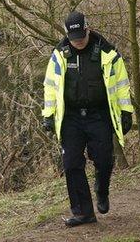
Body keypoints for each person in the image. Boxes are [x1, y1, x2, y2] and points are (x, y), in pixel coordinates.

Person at [41, 11, 134, 227]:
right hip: (71, 117)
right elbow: (50, 88)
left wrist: (126, 112)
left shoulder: (108, 53)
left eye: (82, 37)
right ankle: (83, 212)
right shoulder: (59, 55)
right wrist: (48, 116)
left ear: (88, 29)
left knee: (103, 159)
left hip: (99, 115)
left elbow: (122, 85)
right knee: (71, 163)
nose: (79, 42)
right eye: (74, 39)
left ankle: (102, 189)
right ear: (67, 36)